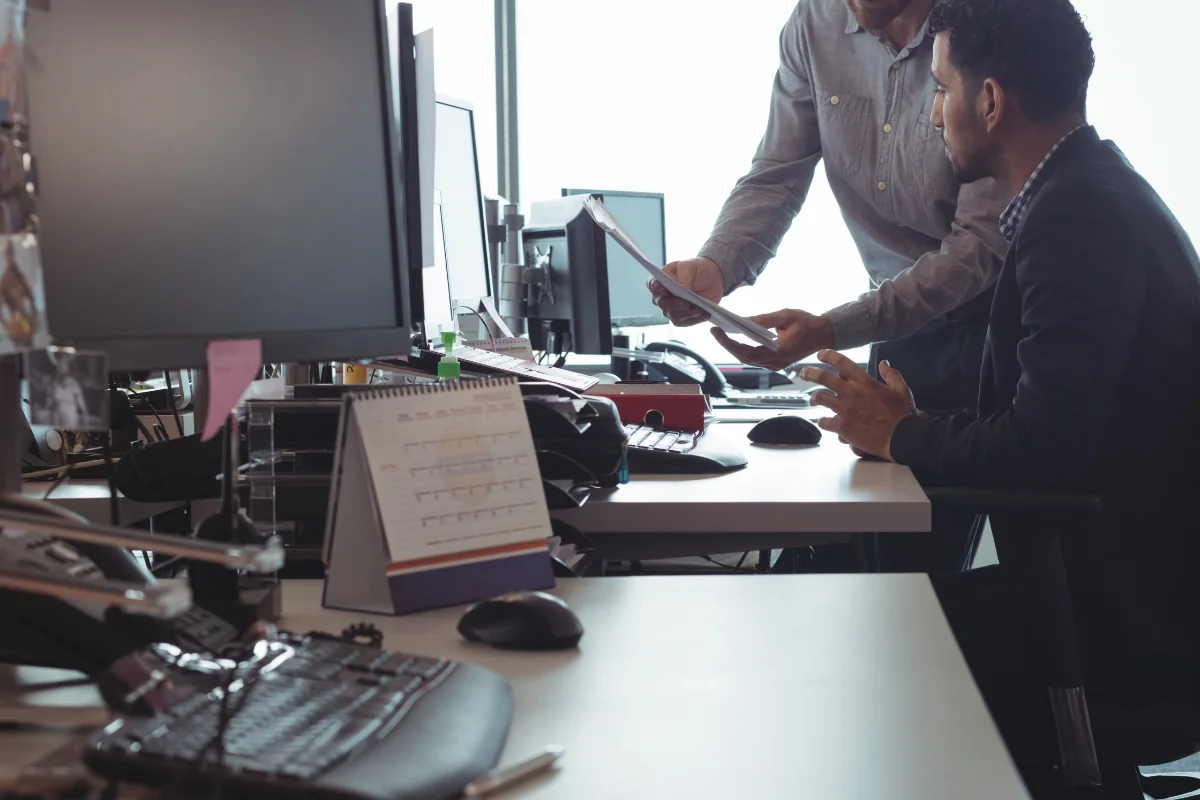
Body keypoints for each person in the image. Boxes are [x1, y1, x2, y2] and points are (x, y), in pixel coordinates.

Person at [804, 0, 1200, 792]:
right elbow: (1056, 419)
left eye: (942, 87)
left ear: (990, 102)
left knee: (869, 644)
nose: (932, 110)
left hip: (1126, 623)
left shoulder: (1078, 216)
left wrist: (903, 436)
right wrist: (910, 422)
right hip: (1123, 585)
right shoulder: (1088, 190)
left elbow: (1047, 443)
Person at [649, 0, 1008, 415]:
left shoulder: (989, 22)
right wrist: (715, 266)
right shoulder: (815, 21)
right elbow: (778, 173)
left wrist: (832, 328)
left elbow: (982, 240)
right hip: (890, 333)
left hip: (991, 332)